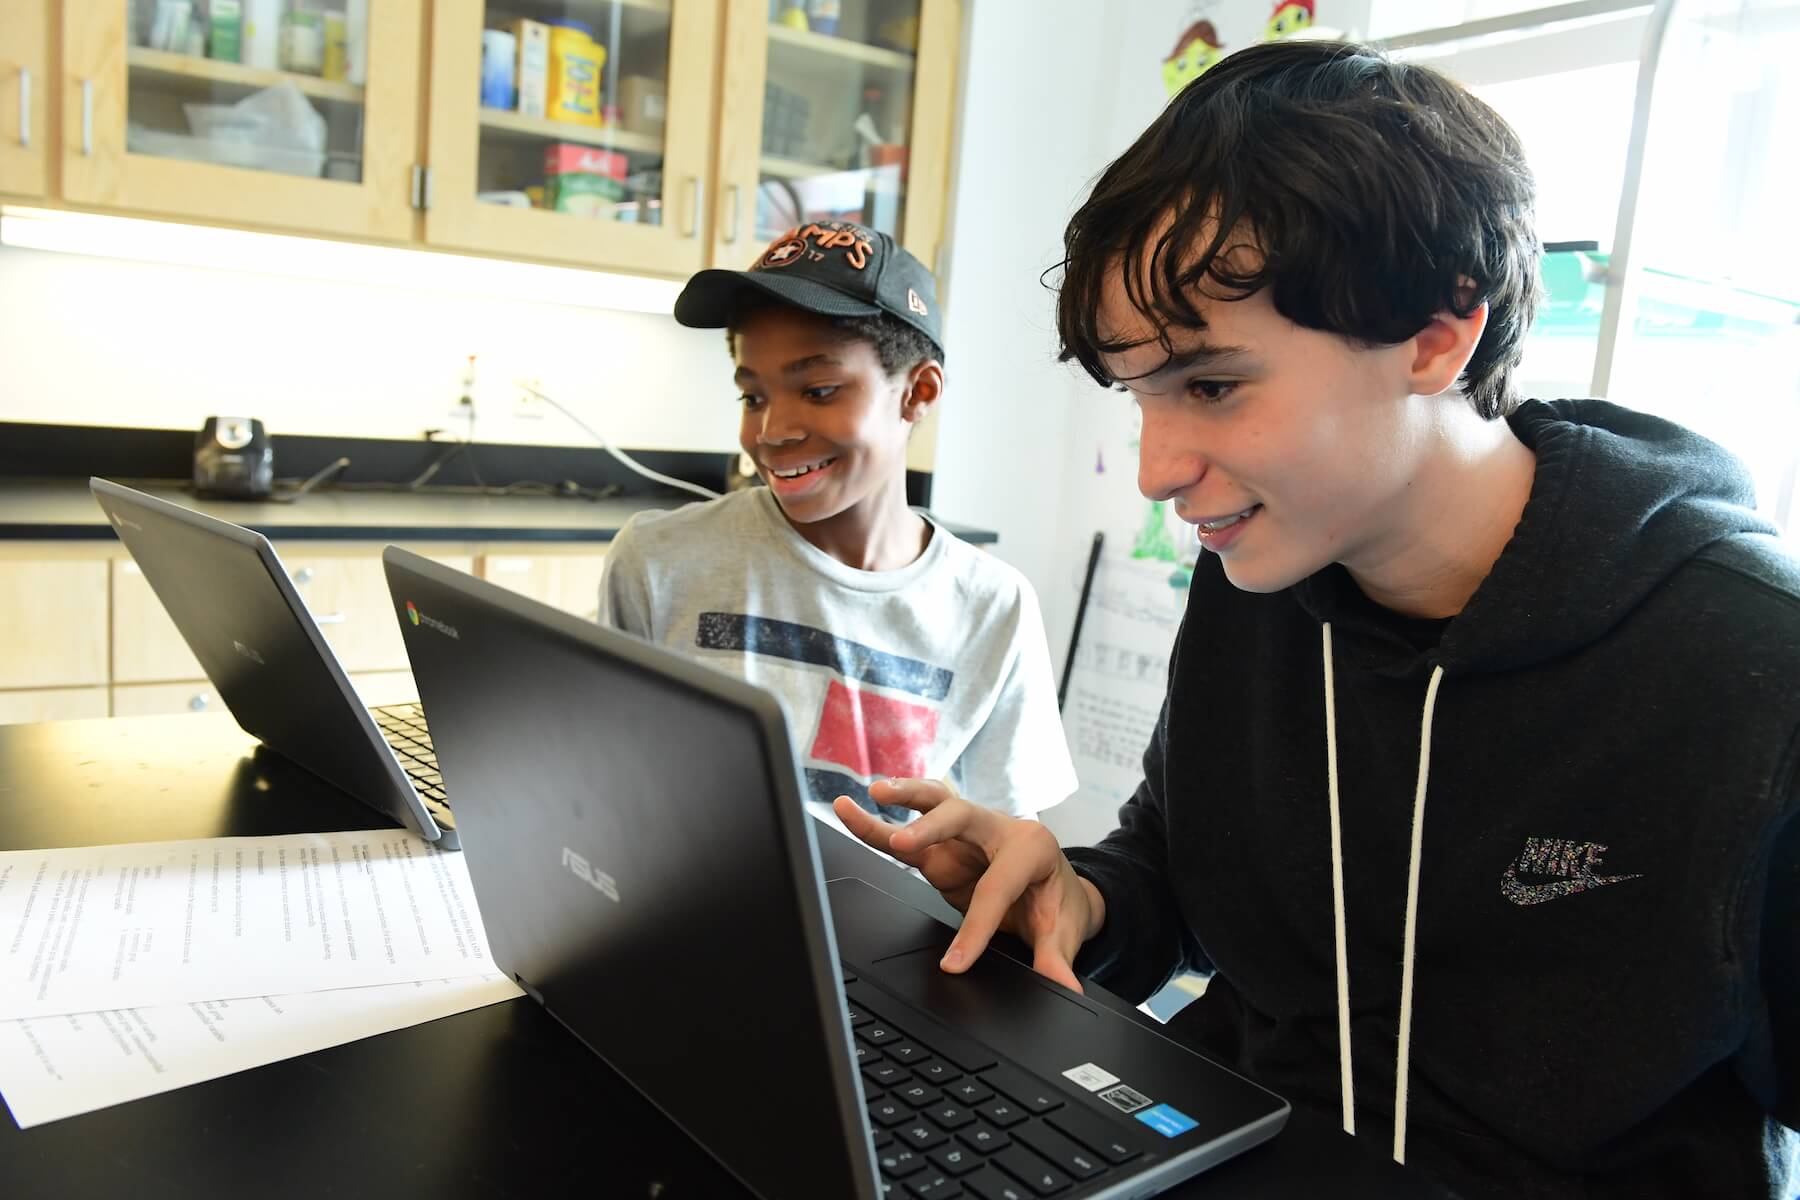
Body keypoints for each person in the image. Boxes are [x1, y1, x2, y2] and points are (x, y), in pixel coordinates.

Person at [834, 40, 1799, 1200]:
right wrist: (1080, 898)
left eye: (1212, 384)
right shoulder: (1264, 570)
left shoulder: (1754, 672)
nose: (1157, 468)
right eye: (1140, 394)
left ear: (1440, 337)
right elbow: (1191, 870)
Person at [600, 219, 1077, 830]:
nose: (772, 431)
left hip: (891, 925)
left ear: (917, 393)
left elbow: (1009, 840)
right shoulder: (657, 563)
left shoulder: (992, 607)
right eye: (753, 397)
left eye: (820, 390)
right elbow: (601, 779)